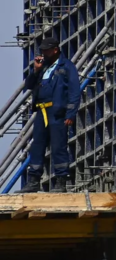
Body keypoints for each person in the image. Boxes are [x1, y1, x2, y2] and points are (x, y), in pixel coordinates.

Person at [18, 37, 80, 193]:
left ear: (55, 50)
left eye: (46, 50)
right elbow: (30, 85)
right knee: (37, 146)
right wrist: (36, 70)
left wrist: (70, 114)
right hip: (41, 111)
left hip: (57, 113)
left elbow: (74, 92)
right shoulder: (43, 67)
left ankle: (61, 181)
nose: (43, 53)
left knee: (59, 146)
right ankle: (33, 181)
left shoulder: (67, 66)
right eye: (42, 50)